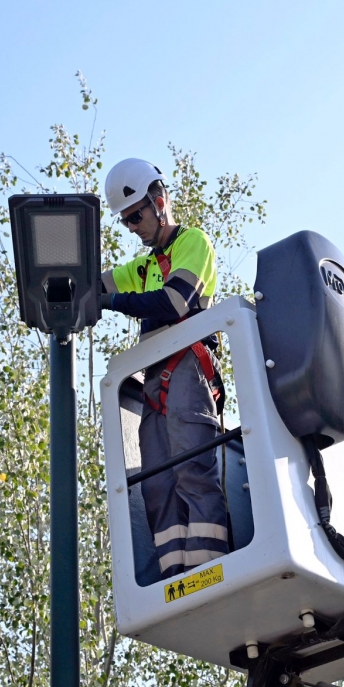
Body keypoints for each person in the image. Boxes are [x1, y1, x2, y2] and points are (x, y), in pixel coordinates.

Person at [100, 158, 229, 580]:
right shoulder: (144, 268)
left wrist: (112, 302)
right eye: (125, 222)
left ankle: (209, 566)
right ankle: (177, 574)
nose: (132, 227)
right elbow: (98, 283)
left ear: (159, 203)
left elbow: (176, 301)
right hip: (156, 379)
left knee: (193, 466)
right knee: (156, 481)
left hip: (189, 368)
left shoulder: (193, 242)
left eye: (136, 216)